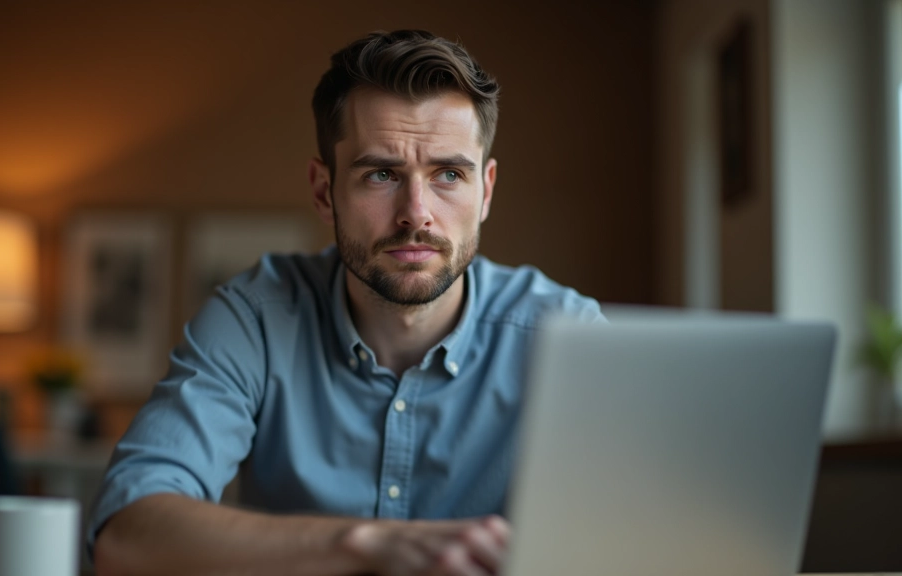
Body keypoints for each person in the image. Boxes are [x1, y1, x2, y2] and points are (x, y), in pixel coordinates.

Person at [90, 29, 605, 576]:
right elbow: (126, 536)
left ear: (486, 192)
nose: (416, 213)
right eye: (381, 174)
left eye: (449, 174)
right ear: (323, 190)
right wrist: (367, 544)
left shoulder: (568, 338)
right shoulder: (256, 318)